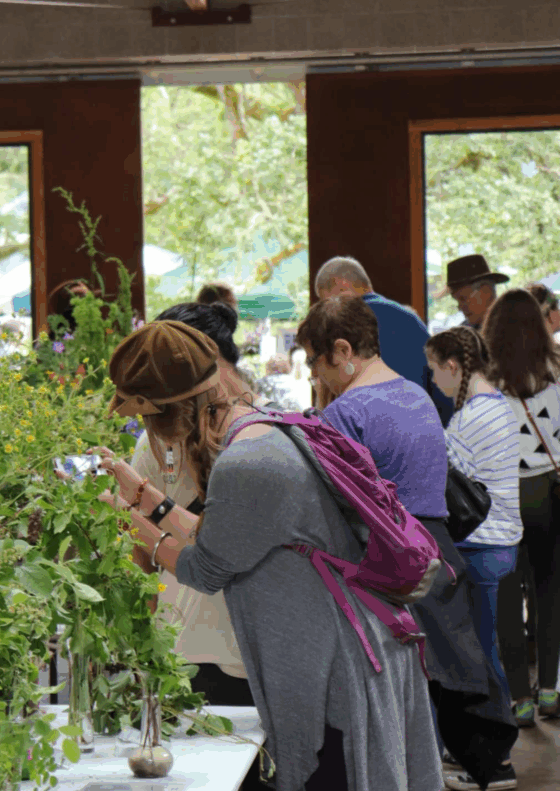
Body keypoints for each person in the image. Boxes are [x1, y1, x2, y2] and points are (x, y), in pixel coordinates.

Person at [94, 320, 441, 791]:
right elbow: (225, 536)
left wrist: (126, 518)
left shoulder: (244, 463)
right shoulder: (262, 425)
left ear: (167, 419)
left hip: (337, 667)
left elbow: (206, 569)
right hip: (349, 646)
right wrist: (144, 495)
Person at [297, 296, 518, 791]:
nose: (314, 373)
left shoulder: (346, 413)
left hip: (387, 567)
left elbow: (334, 509)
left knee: (404, 693)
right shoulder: (417, 396)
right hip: (438, 554)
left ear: (342, 350)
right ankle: (469, 766)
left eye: (314, 360)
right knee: (450, 673)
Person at [130, 301, 254, 710]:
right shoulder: (157, 441)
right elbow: (140, 550)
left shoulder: (260, 438)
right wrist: (144, 639)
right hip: (179, 647)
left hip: (245, 652)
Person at [425, 326, 523, 788]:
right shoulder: (498, 404)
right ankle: (480, 751)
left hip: (481, 546)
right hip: (501, 544)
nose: (432, 380)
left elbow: (440, 479)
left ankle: (494, 761)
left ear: (453, 366)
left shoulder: (470, 418)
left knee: (478, 658)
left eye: (433, 369)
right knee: (485, 652)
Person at [484, 289, 560, 731]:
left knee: (508, 599)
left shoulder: (485, 377)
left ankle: (520, 700)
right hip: (549, 493)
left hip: (503, 495)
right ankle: (549, 690)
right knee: (550, 593)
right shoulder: (556, 369)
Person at [314, 255, 454, 425]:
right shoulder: (411, 319)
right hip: (424, 426)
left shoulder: (345, 325)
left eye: (326, 302)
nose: (327, 311)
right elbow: (442, 394)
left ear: (343, 290)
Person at [443, 254, 509, 331]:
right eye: (457, 301)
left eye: (463, 299)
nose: (460, 308)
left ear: (486, 291)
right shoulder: (464, 332)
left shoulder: (515, 324)